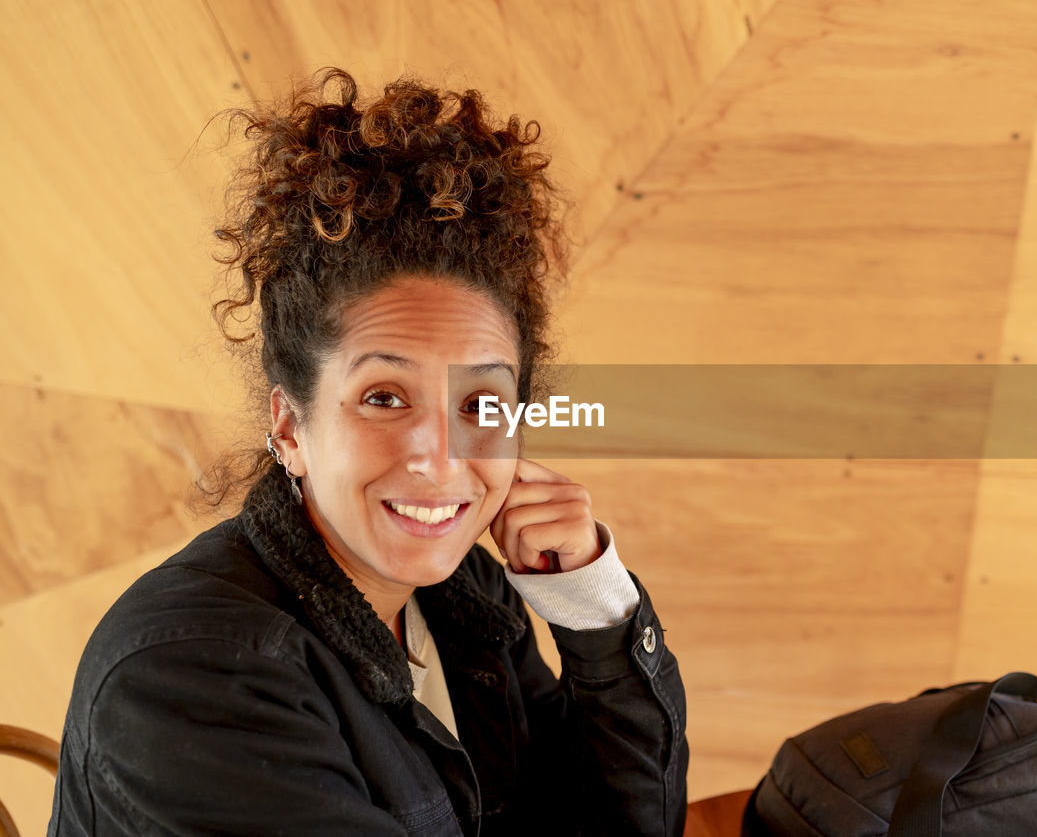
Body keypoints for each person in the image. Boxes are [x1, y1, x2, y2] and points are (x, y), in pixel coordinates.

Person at [48, 68, 688, 836]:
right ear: (291, 429)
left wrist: (596, 608)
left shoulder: (467, 595)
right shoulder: (191, 673)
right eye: (385, 398)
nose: (440, 456)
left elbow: (620, 826)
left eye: (481, 405)